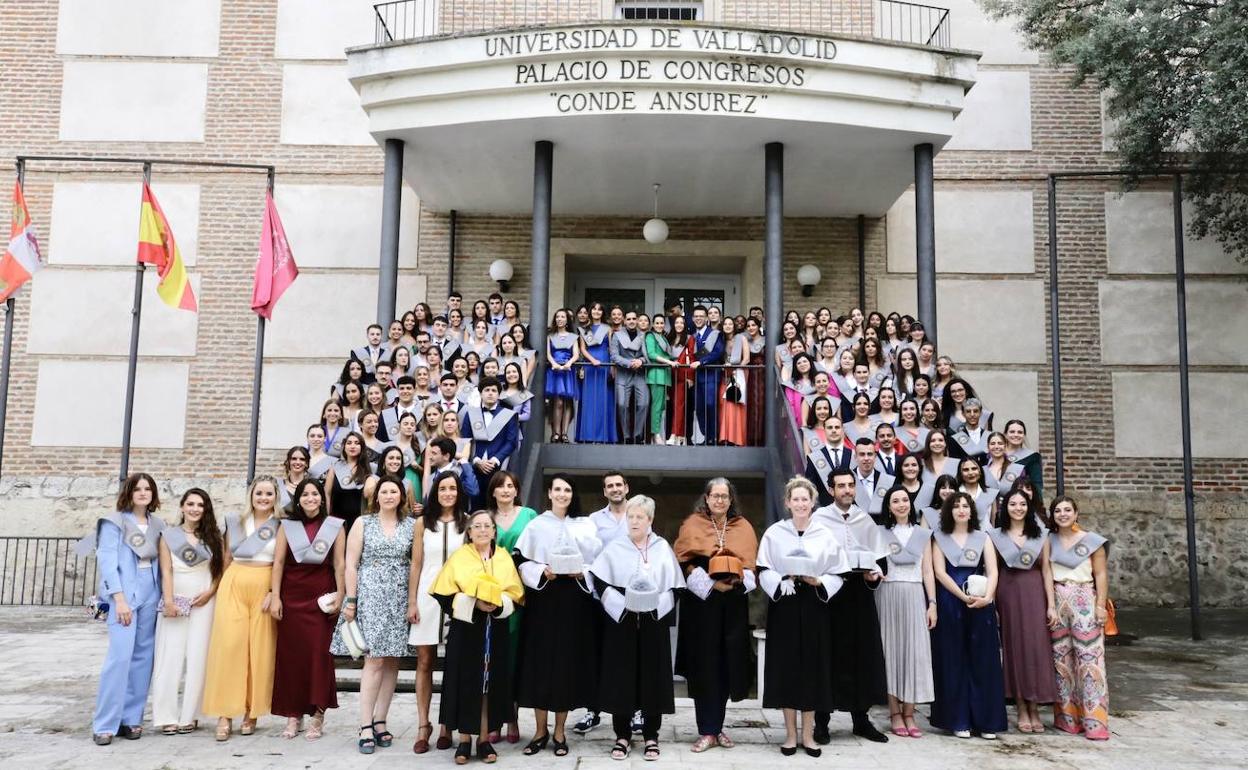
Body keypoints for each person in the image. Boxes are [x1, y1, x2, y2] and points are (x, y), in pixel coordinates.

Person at [587, 494, 683, 761]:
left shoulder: (662, 548)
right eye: (631, 516)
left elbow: (675, 586)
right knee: (622, 676)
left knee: (653, 676)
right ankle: (622, 735)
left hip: (653, 623)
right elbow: (601, 582)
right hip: (623, 622)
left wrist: (655, 608)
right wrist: (621, 606)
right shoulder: (616, 547)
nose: (635, 521)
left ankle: (651, 735)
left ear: (650, 519)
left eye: (640, 516)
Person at [513, 474, 603, 757]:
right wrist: (542, 572)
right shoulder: (536, 525)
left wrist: (582, 572)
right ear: (549, 493)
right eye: (558, 489)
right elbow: (521, 560)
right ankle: (540, 731)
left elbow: (598, 563)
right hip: (545, 599)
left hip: (575, 601)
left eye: (567, 490)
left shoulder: (585, 525)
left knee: (566, 664)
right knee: (541, 663)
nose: (563, 494)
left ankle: (560, 731)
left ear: (572, 495)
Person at [758, 478, 849, 757]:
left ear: (813, 503)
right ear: (787, 503)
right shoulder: (775, 533)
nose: (800, 504)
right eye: (795, 499)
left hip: (814, 604)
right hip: (784, 603)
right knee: (787, 667)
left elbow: (838, 572)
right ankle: (788, 736)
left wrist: (818, 580)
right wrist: (781, 579)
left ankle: (808, 736)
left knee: (813, 667)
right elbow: (763, 568)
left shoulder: (824, 534)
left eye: (804, 499)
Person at [331, 476, 419, 755]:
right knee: (374, 659)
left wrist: (412, 601)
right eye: (385, 491)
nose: (390, 495)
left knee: (392, 659)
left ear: (402, 497)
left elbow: (415, 562)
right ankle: (365, 724)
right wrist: (351, 599)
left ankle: (381, 719)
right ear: (376, 496)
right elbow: (351, 564)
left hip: (399, 595)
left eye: (395, 491)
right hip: (370, 595)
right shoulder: (363, 523)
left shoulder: (411, 525)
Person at [430, 509, 525, 765]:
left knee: (488, 685)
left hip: (496, 630)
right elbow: (444, 594)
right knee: (465, 681)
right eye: (477, 526)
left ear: (495, 531)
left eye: (487, 526)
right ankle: (463, 740)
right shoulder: (459, 558)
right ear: (469, 532)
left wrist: (497, 603)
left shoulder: (504, 558)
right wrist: (474, 603)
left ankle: (483, 739)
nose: (483, 530)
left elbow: (515, 593)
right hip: (466, 630)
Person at [673, 477, 758, 752]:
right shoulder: (692, 524)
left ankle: (718, 727)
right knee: (704, 665)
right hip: (702, 605)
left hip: (732, 604)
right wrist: (712, 584)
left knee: (725, 664)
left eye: (724, 496)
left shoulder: (742, 526)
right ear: (706, 499)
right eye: (715, 496)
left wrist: (734, 583)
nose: (720, 500)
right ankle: (705, 730)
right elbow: (683, 562)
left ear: (731, 500)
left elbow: (751, 566)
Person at [811, 469, 890, 744]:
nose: (846, 490)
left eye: (850, 485)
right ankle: (821, 721)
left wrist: (873, 575)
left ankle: (861, 719)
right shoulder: (818, 520)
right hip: (830, 597)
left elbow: (881, 563)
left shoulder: (864, 519)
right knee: (828, 655)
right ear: (831, 490)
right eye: (840, 486)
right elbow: (811, 557)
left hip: (859, 598)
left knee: (862, 656)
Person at [202, 476, 282, 741]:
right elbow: (226, 558)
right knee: (230, 647)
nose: (263, 498)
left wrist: (274, 592)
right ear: (251, 495)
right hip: (234, 583)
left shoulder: (281, 525)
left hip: (263, 585)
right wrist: (215, 589)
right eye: (259, 493)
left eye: (269, 494)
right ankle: (225, 714)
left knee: (259, 649)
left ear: (275, 497)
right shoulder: (236, 523)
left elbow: (282, 562)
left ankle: (252, 710)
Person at [91, 473, 167, 745]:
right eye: (138, 489)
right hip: (124, 592)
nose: (143, 493)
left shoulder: (159, 524)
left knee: (143, 657)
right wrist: (119, 599)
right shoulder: (114, 522)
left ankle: (131, 718)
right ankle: (105, 723)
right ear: (129, 492)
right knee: (119, 658)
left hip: (151, 591)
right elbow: (108, 561)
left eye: (148, 489)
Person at [269, 479, 345, 740]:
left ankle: (318, 713)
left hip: (319, 599)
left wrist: (341, 596)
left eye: (315, 494)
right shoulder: (287, 527)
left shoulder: (334, 526)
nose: (311, 498)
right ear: (298, 499)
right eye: (306, 494)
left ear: (322, 499)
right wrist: (276, 597)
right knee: (292, 658)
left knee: (319, 657)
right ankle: (293, 713)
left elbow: (339, 564)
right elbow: (278, 563)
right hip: (292, 598)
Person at [930, 492, 1007, 739]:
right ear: (948, 511)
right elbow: (940, 573)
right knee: (954, 660)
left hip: (980, 601)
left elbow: (993, 571)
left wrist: (988, 597)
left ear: (972, 511)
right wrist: (961, 597)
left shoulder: (983, 538)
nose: (961, 510)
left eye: (966, 506)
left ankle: (987, 721)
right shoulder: (939, 538)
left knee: (983, 661)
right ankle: (958, 719)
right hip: (951, 601)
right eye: (956, 506)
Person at [151, 488, 223, 736]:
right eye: (190, 504)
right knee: (169, 657)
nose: (195, 509)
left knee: (198, 657)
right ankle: (165, 716)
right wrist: (169, 600)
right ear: (182, 506)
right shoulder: (168, 536)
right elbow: (167, 569)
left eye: (200, 505)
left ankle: (190, 716)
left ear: (206, 510)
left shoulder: (213, 536)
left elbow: (220, 570)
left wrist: (211, 592)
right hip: (177, 597)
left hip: (203, 598)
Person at [988, 489, 1057, 734]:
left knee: (1035, 648)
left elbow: (1047, 570)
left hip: (1034, 592)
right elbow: (992, 570)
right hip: (1008, 593)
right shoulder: (996, 536)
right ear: (1005, 508)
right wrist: (991, 603)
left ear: (1028, 507)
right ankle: (1020, 706)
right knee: (1014, 648)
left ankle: (1035, 705)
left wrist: (1051, 604)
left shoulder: (1040, 535)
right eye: (1012, 504)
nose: (1017, 508)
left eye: (1022, 504)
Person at [409, 470, 468, 753]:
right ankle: (424, 724)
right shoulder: (423, 523)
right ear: (435, 492)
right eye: (443, 488)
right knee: (424, 660)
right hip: (427, 596)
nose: (447, 493)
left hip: (457, 597)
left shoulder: (466, 523)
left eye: (452, 488)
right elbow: (416, 564)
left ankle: (447, 724)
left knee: (454, 662)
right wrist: (411, 602)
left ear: (459, 492)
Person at [1047, 496, 1111, 740]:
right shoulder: (1048, 540)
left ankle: (1095, 720)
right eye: (1058, 511)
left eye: (1067, 510)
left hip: (1084, 598)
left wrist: (1101, 605)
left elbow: (1101, 574)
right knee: (1061, 659)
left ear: (1076, 514)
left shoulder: (1091, 541)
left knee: (1090, 659)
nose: (1063, 514)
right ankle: (1067, 718)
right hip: (1057, 596)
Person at [875, 486, 936, 739]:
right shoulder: (880, 533)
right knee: (891, 652)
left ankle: (910, 712)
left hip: (914, 594)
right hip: (887, 594)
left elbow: (928, 571)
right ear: (888, 506)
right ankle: (894, 712)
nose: (901, 504)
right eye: (895, 501)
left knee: (913, 652)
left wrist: (932, 602)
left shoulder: (922, 534)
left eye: (904, 500)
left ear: (911, 504)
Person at [486, 471, 539, 745]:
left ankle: (513, 717)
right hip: (490, 595)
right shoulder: (485, 518)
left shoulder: (530, 515)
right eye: (501, 486)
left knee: (515, 657)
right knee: (493, 659)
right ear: (493, 491)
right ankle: (494, 718)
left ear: (517, 490)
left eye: (510, 486)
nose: (506, 490)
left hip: (520, 595)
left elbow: (538, 550)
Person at [461, 377, 519, 509]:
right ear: (481, 393)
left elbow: (511, 442)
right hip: (475, 468)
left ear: (499, 395)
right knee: (475, 507)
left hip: (499, 468)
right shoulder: (471, 414)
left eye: (494, 390)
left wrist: (494, 460)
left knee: (497, 508)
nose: (490, 393)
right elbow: (465, 440)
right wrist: (476, 460)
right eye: (487, 390)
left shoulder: (508, 415)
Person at [610, 309, 650, 444]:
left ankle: (638, 435)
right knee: (622, 405)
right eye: (629, 319)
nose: (632, 321)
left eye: (634, 319)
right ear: (624, 321)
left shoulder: (644, 335)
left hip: (640, 375)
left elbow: (648, 355)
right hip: (623, 374)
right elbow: (614, 355)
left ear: (638, 321)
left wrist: (641, 361)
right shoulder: (617, 335)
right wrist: (630, 363)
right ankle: (626, 435)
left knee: (643, 403)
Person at [688, 306, 725, 445]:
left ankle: (713, 437)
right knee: (699, 408)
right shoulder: (692, 336)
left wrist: (701, 361)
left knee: (710, 405)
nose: (698, 318)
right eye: (696, 316)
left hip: (710, 376)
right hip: (697, 377)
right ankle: (706, 436)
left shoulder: (715, 333)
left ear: (706, 318)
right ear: (693, 319)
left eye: (701, 316)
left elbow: (718, 352)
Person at [324, 432, 373, 533]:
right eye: (349, 443)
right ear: (344, 447)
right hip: (337, 520)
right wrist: (326, 517)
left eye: (356, 443)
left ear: (362, 447)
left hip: (361, 520)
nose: (352, 446)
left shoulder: (369, 469)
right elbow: (327, 494)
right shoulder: (335, 468)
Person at [544, 309, 580, 443]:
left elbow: (576, 354)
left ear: (567, 320)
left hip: (568, 370)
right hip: (555, 370)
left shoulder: (573, 336)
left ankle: (565, 433)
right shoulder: (550, 336)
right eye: (557, 316)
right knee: (558, 401)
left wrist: (569, 363)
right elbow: (548, 353)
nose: (559, 319)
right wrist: (554, 364)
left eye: (562, 317)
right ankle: (556, 433)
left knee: (568, 401)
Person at [644, 313, 674, 445]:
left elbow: (667, 355)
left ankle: (654, 434)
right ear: (653, 324)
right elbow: (651, 354)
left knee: (661, 407)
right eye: (657, 323)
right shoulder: (650, 336)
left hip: (664, 375)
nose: (660, 325)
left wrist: (674, 361)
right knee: (656, 407)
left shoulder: (663, 337)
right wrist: (669, 362)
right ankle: (655, 434)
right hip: (656, 375)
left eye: (662, 323)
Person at [718, 317, 748, 447]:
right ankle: (725, 437)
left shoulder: (741, 338)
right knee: (724, 404)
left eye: (730, 323)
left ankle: (737, 439)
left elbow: (746, 359)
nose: (728, 326)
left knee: (736, 404)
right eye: (725, 324)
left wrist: (735, 369)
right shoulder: (721, 341)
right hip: (725, 376)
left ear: (734, 326)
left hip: (738, 373)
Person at [668, 314, 695, 445]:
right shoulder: (669, 338)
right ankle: (681, 436)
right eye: (677, 322)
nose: (679, 325)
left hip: (682, 376)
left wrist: (690, 376)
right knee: (673, 406)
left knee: (679, 406)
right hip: (669, 375)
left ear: (685, 325)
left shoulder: (689, 339)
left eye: (682, 323)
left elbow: (691, 357)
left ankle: (675, 434)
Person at [1004, 419, 1045, 499]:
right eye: (1012, 432)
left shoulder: (1032, 457)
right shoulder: (996, 455)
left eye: (1020, 432)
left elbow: (1036, 485)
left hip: (1020, 502)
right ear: (1005, 434)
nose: (1016, 435)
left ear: (1024, 436)